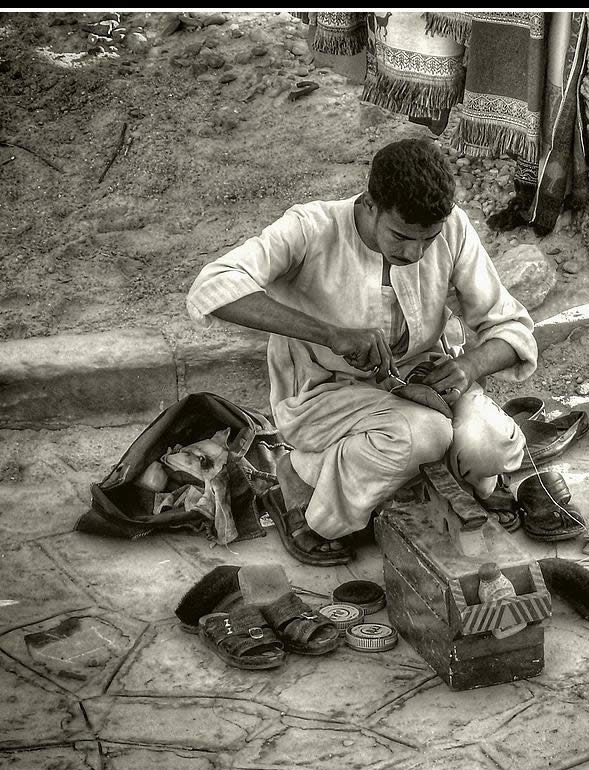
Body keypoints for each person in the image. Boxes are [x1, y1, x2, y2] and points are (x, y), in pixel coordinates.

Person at [187, 138, 537, 565]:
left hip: (422, 381)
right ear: (371, 203)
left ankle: (413, 477)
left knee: (492, 448)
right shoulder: (311, 228)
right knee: (425, 436)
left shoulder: (454, 228)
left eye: (428, 240)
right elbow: (212, 286)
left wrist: (469, 365)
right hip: (324, 392)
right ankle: (300, 484)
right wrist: (330, 334)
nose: (415, 253)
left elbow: (510, 326)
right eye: (402, 236)